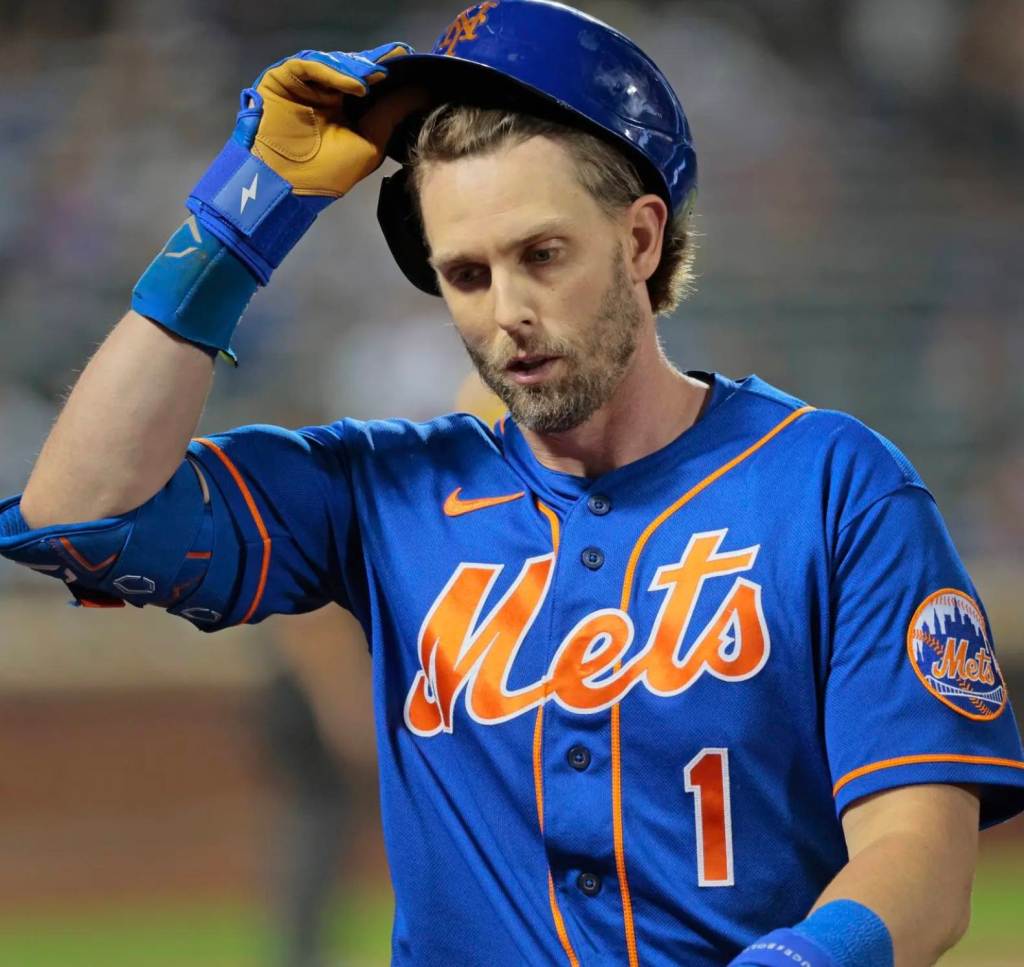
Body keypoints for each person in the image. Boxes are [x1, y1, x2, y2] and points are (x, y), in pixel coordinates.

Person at [2, 2, 1022, 964]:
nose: (507, 312)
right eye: (467, 274)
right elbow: (78, 512)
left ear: (640, 239)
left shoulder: (833, 485)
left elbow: (919, 861)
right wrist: (240, 222)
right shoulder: (382, 491)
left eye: (543, 254)